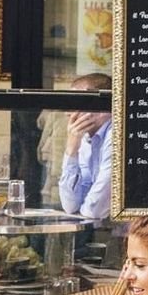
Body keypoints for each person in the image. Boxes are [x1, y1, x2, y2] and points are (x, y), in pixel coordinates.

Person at [58, 73, 112, 221]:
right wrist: (71, 150)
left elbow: (95, 209)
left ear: (100, 108)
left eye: (76, 104)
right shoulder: (85, 139)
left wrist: (82, 210)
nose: (68, 113)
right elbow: (70, 205)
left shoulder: (117, 134)